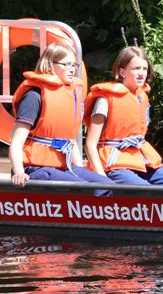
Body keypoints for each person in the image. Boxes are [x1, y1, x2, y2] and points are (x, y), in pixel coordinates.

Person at [8, 42, 110, 189]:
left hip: (63, 166)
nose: (72, 70)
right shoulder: (34, 96)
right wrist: (19, 172)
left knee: (109, 187)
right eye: (66, 64)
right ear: (50, 64)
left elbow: (70, 140)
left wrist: (79, 169)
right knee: (85, 190)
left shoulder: (71, 94)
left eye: (74, 65)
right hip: (36, 168)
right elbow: (16, 142)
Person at [84, 46, 163, 185]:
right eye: (136, 69)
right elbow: (90, 144)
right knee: (145, 190)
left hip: (139, 159)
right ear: (122, 71)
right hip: (113, 164)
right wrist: (101, 178)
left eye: (144, 69)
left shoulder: (141, 97)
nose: (141, 74)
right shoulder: (105, 100)